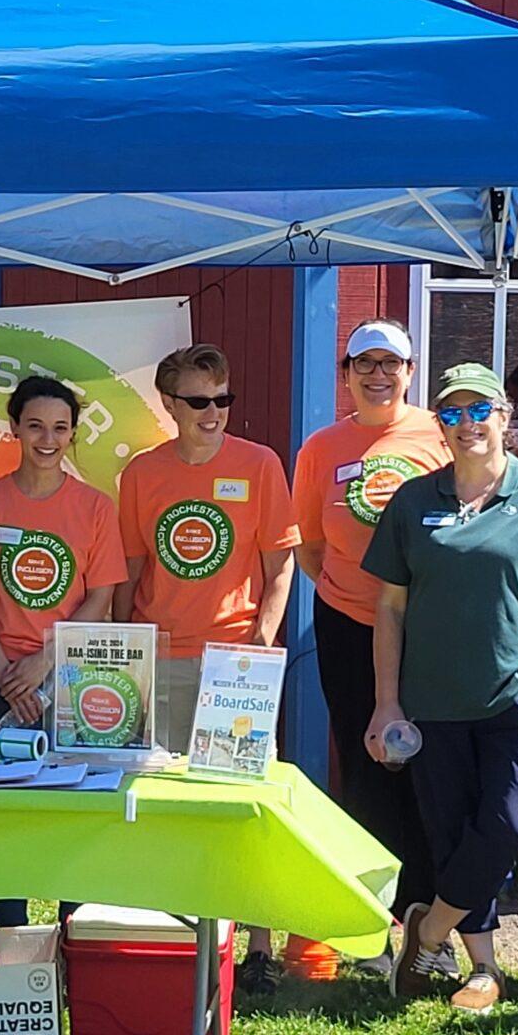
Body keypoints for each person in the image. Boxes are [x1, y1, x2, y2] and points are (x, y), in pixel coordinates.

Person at [366, 363, 518, 1015]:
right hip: (430, 702)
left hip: (513, 697)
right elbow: (389, 609)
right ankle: (484, 966)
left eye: (479, 410)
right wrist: (386, 700)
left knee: (507, 823)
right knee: (455, 832)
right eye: (453, 414)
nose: (468, 424)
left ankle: (428, 929)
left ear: (504, 415)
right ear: (440, 425)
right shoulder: (415, 500)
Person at [116, 343, 298, 989]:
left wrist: (261, 641)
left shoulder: (260, 465)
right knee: (160, 808)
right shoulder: (141, 474)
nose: (214, 412)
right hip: (161, 660)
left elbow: (282, 568)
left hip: (233, 665)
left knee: (242, 805)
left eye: (223, 399)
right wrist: (121, 655)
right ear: (168, 404)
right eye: (199, 401)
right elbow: (129, 573)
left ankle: (258, 947)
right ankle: (167, 936)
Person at [292, 320, 448, 959]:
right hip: (347, 622)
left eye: (391, 363)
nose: (378, 375)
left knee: (430, 770)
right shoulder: (321, 447)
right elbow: (310, 545)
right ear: (346, 373)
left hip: (430, 629)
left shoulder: (438, 437)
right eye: (365, 363)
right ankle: (372, 924)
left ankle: (427, 918)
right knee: (364, 767)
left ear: (410, 372)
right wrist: (355, 594)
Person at [0, 375, 129, 927]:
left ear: (73, 435)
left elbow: (101, 597)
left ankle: (73, 940)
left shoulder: (96, 509)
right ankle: (14, 944)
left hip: (75, 681)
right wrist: (8, 675)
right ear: (14, 429)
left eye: (59, 428)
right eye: (35, 426)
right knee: (7, 820)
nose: (47, 439)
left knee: (72, 817)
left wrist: (46, 662)